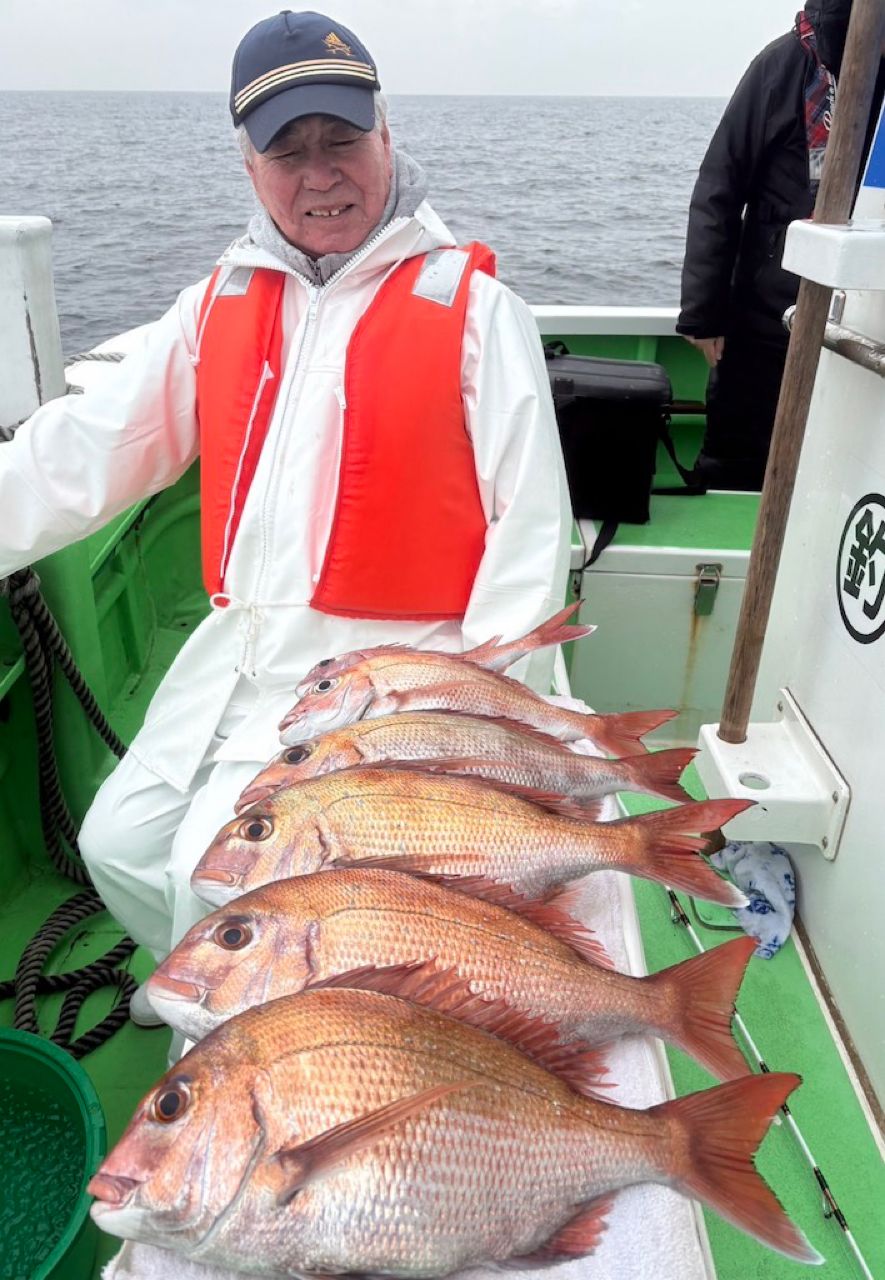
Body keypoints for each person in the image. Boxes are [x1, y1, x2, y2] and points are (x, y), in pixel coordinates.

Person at [0, 11, 571, 1023]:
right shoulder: (218, 300)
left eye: (341, 141)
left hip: (388, 676)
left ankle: (249, 1041)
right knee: (119, 842)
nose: (321, 176)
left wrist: (472, 742)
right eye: (288, 151)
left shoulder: (480, 314)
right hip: (242, 647)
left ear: (386, 134)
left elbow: (528, 553)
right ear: (248, 166)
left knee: (210, 869)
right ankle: (196, 976)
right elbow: (91, 446)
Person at [676, 0, 883, 491]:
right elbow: (718, 192)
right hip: (763, 314)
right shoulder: (779, 66)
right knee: (739, 457)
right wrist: (703, 315)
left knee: (846, 465)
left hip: (865, 311)